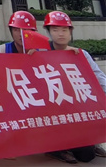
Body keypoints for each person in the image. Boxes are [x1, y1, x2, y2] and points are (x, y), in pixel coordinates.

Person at [39, 11, 106, 163]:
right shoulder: (41, 53)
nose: (60, 34)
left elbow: (98, 75)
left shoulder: (80, 54)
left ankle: (89, 142)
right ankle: (56, 149)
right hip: (53, 109)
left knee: (87, 156)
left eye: (64, 29)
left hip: (75, 110)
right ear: (49, 32)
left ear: (70, 32)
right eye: (55, 30)